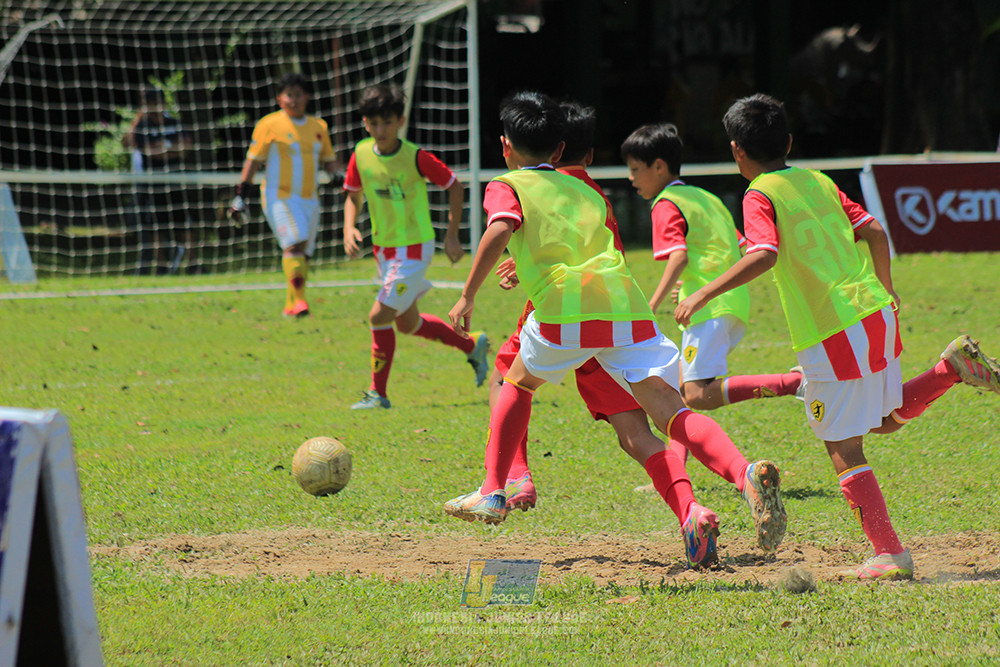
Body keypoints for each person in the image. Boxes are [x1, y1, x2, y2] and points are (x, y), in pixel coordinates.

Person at [444, 91, 787, 564]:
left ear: (505, 146)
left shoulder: (507, 185)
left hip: (566, 313)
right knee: (667, 414)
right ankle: (736, 476)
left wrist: (468, 294)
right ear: (562, 152)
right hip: (624, 310)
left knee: (514, 381)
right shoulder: (587, 190)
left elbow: (502, 228)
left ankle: (492, 489)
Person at [675, 92, 1000, 581]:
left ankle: (889, 552)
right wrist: (887, 290)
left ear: (737, 150)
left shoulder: (759, 193)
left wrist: (702, 294)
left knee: (844, 446)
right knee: (885, 418)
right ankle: (949, 369)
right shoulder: (818, 181)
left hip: (831, 330)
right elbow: (875, 232)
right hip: (872, 310)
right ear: (788, 141)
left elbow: (764, 253)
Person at [621, 122, 802, 414]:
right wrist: (691, 282)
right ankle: (675, 460)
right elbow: (735, 247)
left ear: (658, 167)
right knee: (679, 393)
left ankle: (791, 382)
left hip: (706, 308)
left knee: (694, 394)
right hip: (733, 302)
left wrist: (650, 305)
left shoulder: (665, 204)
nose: (630, 178)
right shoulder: (707, 198)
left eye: (634, 169)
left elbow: (678, 257)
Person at [341, 83, 489, 410]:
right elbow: (353, 194)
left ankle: (377, 394)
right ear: (365, 122)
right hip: (385, 250)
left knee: (378, 315)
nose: (380, 130)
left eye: (387, 123)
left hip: (414, 250)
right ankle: (472, 344)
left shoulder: (415, 157)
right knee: (406, 323)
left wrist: (452, 235)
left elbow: (454, 186)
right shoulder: (361, 154)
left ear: (401, 121)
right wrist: (349, 225)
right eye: (374, 123)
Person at [229, 72, 340, 318]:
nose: (293, 100)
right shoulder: (269, 125)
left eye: (298, 94)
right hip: (279, 197)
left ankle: (291, 306)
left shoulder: (318, 127)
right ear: (280, 98)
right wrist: (241, 196)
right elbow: (253, 162)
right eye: (288, 95)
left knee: (304, 253)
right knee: (294, 244)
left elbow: (329, 161)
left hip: (310, 199)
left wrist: (340, 178)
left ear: (307, 97)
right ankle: (301, 303)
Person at [123, 86, 193, 275]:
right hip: (152, 184)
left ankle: (193, 264)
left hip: (175, 182)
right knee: (155, 226)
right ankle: (161, 267)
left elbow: (186, 146)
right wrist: (169, 149)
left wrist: (164, 149)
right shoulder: (142, 126)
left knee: (183, 224)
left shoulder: (174, 122)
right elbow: (146, 149)